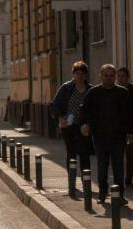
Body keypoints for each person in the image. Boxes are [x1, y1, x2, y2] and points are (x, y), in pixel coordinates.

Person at [80, 63, 133, 205]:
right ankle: (102, 194)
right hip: (99, 136)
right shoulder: (93, 93)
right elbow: (84, 110)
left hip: (118, 136)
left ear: (115, 77)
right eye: (106, 76)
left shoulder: (123, 93)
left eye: (111, 76)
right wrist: (85, 124)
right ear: (100, 76)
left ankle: (119, 195)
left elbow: (129, 114)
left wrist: (130, 132)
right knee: (102, 166)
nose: (109, 78)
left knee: (118, 166)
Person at [51, 60, 93, 180]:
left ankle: (86, 179)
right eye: (77, 73)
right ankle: (72, 179)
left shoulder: (91, 89)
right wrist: (60, 119)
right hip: (68, 125)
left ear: (86, 75)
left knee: (85, 153)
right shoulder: (66, 88)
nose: (79, 76)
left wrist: (89, 124)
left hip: (83, 126)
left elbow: (95, 109)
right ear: (73, 74)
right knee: (71, 152)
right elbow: (55, 105)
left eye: (82, 73)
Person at [116, 67, 133, 186]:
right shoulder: (114, 90)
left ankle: (128, 178)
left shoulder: (131, 90)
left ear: (128, 77)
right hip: (117, 128)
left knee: (130, 154)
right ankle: (121, 179)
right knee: (118, 156)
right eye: (119, 76)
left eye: (123, 76)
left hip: (130, 127)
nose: (121, 78)